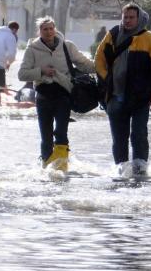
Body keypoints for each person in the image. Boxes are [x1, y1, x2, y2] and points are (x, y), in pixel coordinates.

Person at [95, 3, 151, 176]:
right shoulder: (113, 35)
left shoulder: (150, 38)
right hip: (115, 96)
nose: (127, 20)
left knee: (139, 135)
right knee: (119, 139)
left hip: (141, 98)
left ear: (139, 18)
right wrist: (107, 81)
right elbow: (99, 59)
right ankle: (121, 171)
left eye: (131, 17)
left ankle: (140, 172)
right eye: (125, 17)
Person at [18, 16, 95, 170]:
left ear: (55, 29)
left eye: (51, 28)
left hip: (63, 94)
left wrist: (103, 67)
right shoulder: (32, 49)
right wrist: (41, 71)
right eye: (45, 29)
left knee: (61, 132)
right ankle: (46, 169)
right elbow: (22, 74)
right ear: (39, 31)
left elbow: (85, 64)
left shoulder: (67, 46)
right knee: (46, 138)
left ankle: (61, 168)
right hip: (43, 96)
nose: (48, 32)